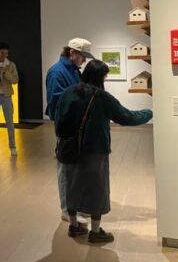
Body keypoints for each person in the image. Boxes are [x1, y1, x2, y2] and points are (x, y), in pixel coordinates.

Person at [55, 59, 152, 243]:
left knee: (72, 186)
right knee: (96, 189)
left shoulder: (68, 92)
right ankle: (96, 231)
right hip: (94, 149)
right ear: (100, 77)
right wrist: (150, 112)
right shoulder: (101, 97)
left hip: (69, 148)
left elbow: (58, 117)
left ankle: (74, 226)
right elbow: (127, 117)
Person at [45, 38, 94, 223]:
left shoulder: (73, 71)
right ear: (72, 53)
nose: (84, 61)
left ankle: (78, 206)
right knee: (65, 169)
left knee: (77, 168)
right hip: (66, 127)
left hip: (77, 126)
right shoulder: (57, 72)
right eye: (83, 56)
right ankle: (66, 209)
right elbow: (56, 102)